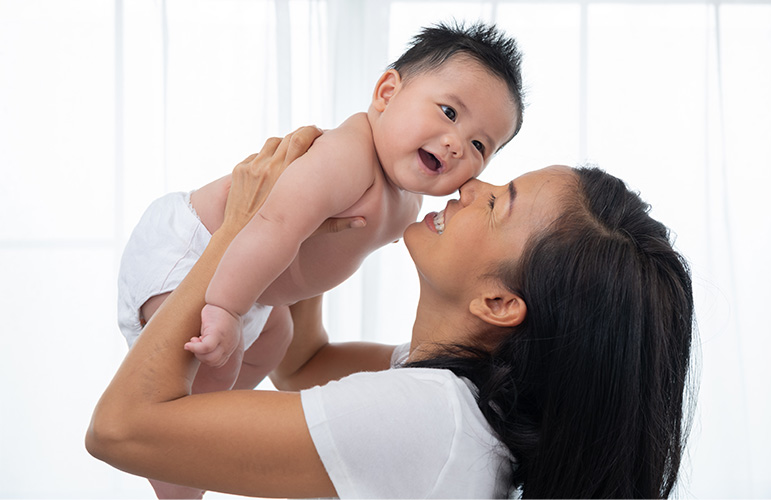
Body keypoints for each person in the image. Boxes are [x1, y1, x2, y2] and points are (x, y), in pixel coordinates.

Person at [88, 126, 695, 499]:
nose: (471, 186)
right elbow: (304, 364)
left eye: (496, 205)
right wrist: (302, 215)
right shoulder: (462, 403)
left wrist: (237, 229)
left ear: (500, 303)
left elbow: (119, 431)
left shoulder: (431, 421)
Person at [117, 21, 524, 408]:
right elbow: (275, 224)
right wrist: (226, 308)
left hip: (249, 289)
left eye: (479, 145)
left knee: (271, 344)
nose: (457, 144)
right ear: (387, 93)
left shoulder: (410, 204)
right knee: (186, 391)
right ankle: (182, 441)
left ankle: (200, 436)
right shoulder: (349, 154)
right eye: (449, 113)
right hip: (193, 251)